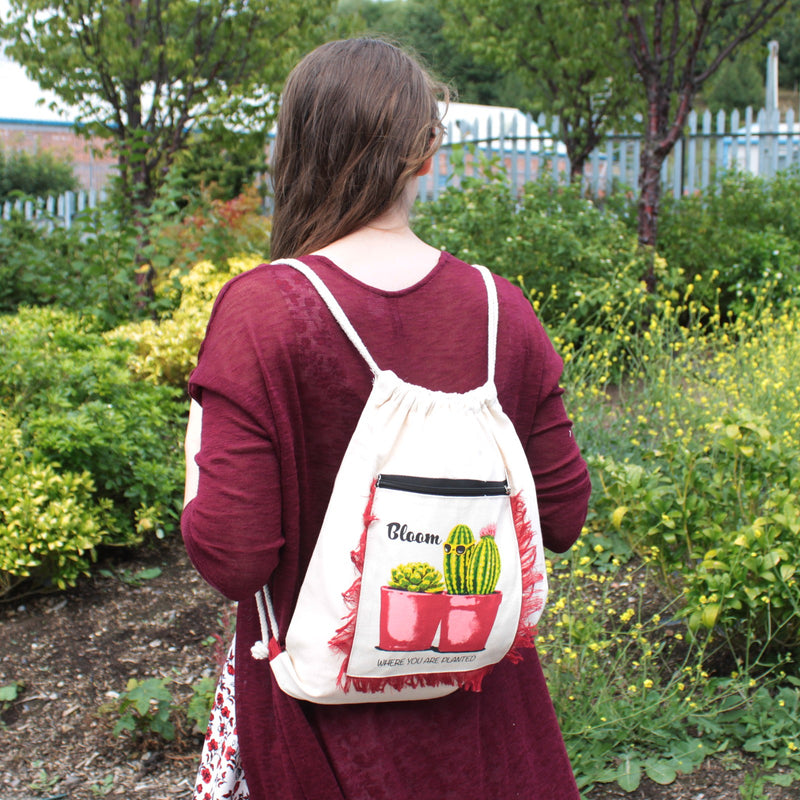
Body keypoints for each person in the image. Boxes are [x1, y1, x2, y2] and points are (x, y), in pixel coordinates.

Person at [182, 37, 591, 800]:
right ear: (427, 152)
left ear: (293, 152)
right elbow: (562, 516)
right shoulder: (503, 312)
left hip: (323, 735)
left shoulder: (263, 313)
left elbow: (234, 558)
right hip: (490, 734)